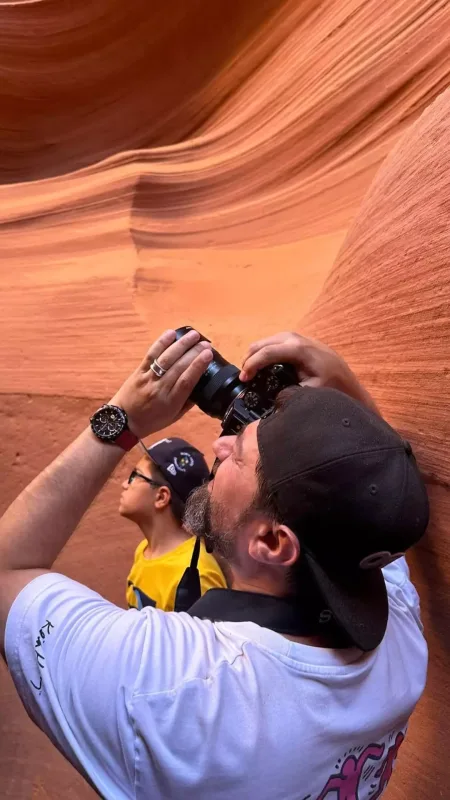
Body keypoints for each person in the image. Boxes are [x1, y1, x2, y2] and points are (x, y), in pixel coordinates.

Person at [0, 328, 428, 800]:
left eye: (238, 453)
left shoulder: (172, 689)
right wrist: (340, 393)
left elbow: (6, 573)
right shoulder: (399, 638)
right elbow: (379, 495)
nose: (219, 445)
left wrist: (120, 420)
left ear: (270, 540)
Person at [120, 437, 225, 611]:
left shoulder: (197, 575)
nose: (124, 484)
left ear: (161, 497)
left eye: (134, 476)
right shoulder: (145, 549)